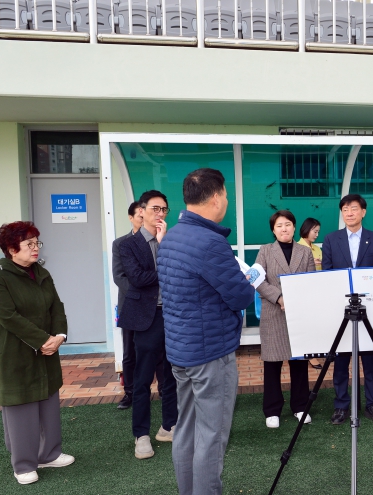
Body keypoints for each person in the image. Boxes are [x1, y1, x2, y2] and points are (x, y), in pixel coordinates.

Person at [157, 168, 255, 495]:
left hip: (180, 351)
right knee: (212, 435)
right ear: (215, 198)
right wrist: (247, 280)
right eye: (225, 194)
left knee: (186, 427)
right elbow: (240, 297)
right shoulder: (211, 243)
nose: (226, 200)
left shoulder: (171, 237)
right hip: (210, 353)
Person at [0, 221, 75, 485]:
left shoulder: (42, 273)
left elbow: (57, 306)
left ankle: (49, 454)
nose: (36, 248)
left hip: (47, 349)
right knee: (21, 406)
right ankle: (24, 464)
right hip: (16, 352)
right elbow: (7, 316)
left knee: (48, 401)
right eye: (29, 244)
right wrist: (42, 340)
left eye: (37, 243)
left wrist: (59, 336)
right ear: (12, 249)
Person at [118, 190, 178, 460]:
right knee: (142, 379)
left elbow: (178, 276)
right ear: (141, 211)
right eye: (155, 208)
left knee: (172, 374)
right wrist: (164, 264)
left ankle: (169, 426)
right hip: (145, 318)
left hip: (172, 315)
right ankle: (141, 434)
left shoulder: (170, 241)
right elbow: (138, 278)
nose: (160, 214)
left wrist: (164, 244)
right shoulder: (128, 245)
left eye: (164, 209)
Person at [322, 193, 373, 425]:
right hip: (341, 309)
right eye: (345, 209)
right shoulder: (331, 239)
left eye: (353, 208)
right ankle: (341, 406)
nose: (349, 213)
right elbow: (327, 274)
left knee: (370, 360)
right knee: (340, 360)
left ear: (363, 212)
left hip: (369, 310)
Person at [256, 210, 316, 428]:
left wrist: (295, 299)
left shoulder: (305, 251)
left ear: (294, 227)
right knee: (272, 364)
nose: (284, 229)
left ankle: (300, 406)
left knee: (299, 363)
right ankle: (272, 410)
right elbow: (257, 280)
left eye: (288, 224)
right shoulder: (265, 250)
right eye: (279, 225)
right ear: (273, 229)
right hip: (274, 313)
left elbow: (310, 281)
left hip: (298, 314)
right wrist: (279, 297)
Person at [112, 201, 142, 410]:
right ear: (131, 218)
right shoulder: (120, 244)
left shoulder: (160, 241)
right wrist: (139, 294)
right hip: (130, 304)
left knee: (160, 352)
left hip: (156, 305)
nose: (144, 218)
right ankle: (129, 392)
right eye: (139, 215)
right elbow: (119, 276)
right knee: (129, 353)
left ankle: (165, 391)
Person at [297, 217, 323, 369]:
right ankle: (310, 355)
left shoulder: (317, 249)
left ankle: (314, 351)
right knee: (305, 325)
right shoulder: (297, 247)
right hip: (302, 293)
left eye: (318, 232)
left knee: (315, 324)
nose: (317, 235)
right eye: (315, 231)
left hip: (317, 292)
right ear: (306, 230)